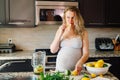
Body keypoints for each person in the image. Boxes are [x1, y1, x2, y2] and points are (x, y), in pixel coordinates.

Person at [50, 6, 89, 74]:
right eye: (68, 17)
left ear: (77, 18)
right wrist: (60, 33)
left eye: (73, 18)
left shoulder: (83, 32)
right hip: (60, 68)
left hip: (76, 69)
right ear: (64, 17)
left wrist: (80, 62)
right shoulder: (60, 29)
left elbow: (86, 53)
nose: (70, 20)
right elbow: (53, 50)